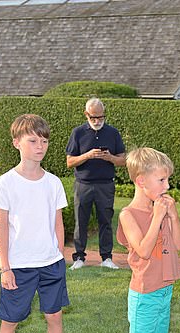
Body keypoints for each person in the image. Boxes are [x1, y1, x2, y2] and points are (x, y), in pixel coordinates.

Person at [0, 114, 74, 333]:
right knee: (10, 321)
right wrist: (5, 268)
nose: (40, 146)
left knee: (54, 316)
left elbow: (57, 223)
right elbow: (1, 228)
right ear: (16, 143)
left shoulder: (53, 183)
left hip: (50, 265)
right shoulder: (6, 183)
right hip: (19, 267)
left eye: (45, 141)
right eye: (33, 140)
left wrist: (59, 256)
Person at [116, 147, 180, 333]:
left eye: (167, 180)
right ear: (141, 181)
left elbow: (178, 245)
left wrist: (173, 215)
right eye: (161, 180)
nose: (166, 186)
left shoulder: (163, 208)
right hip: (144, 294)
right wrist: (157, 217)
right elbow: (143, 250)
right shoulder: (129, 214)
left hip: (164, 290)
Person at [66, 97, 126, 270]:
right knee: (81, 221)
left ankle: (106, 258)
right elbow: (70, 162)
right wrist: (88, 155)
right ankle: (79, 258)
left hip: (106, 184)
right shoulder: (78, 133)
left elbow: (123, 160)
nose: (98, 121)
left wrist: (110, 158)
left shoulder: (113, 133)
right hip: (83, 184)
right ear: (86, 115)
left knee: (105, 221)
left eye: (101, 117)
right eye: (94, 118)